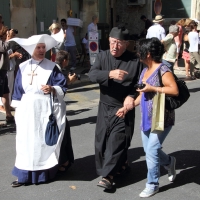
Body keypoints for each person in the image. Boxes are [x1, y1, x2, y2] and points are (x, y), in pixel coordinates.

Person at [88, 26, 144, 190]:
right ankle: (121, 165)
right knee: (101, 143)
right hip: (104, 106)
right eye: (113, 42)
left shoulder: (135, 60)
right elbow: (92, 75)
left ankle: (108, 176)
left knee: (116, 141)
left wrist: (132, 96)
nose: (115, 46)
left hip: (123, 107)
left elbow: (140, 84)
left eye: (119, 43)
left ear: (126, 44)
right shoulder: (102, 56)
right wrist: (109, 74)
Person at [10, 34, 68, 187]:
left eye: (43, 47)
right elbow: (17, 92)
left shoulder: (52, 67)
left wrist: (52, 88)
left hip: (44, 110)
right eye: (38, 47)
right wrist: (17, 112)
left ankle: (44, 174)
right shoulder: (22, 67)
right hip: (27, 111)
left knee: (42, 144)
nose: (42, 50)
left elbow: (62, 87)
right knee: (25, 144)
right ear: (32, 49)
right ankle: (23, 176)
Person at [133, 37, 178, 198]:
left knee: (151, 150)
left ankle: (152, 184)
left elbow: (174, 90)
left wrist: (152, 87)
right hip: (146, 117)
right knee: (149, 150)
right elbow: (143, 95)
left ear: (149, 54)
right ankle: (169, 162)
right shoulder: (145, 70)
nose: (138, 53)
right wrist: (131, 104)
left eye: (140, 50)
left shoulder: (163, 69)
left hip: (161, 118)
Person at [0, 27, 22, 122]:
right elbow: (4, 48)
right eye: (6, 34)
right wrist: (9, 39)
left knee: (6, 91)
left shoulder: (4, 41)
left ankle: (8, 114)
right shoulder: (2, 42)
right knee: (2, 91)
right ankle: (2, 107)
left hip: (5, 69)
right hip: (1, 70)